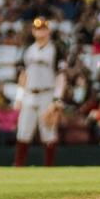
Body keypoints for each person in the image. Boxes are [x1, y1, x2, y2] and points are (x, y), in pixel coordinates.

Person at [13, 16, 65, 167]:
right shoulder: (27, 50)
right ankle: (18, 166)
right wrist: (19, 96)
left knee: (48, 133)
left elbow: (61, 76)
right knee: (23, 132)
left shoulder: (56, 49)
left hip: (47, 94)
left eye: (43, 28)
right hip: (29, 94)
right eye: (37, 28)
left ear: (48, 30)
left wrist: (57, 99)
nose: (40, 31)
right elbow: (23, 75)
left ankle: (49, 168)